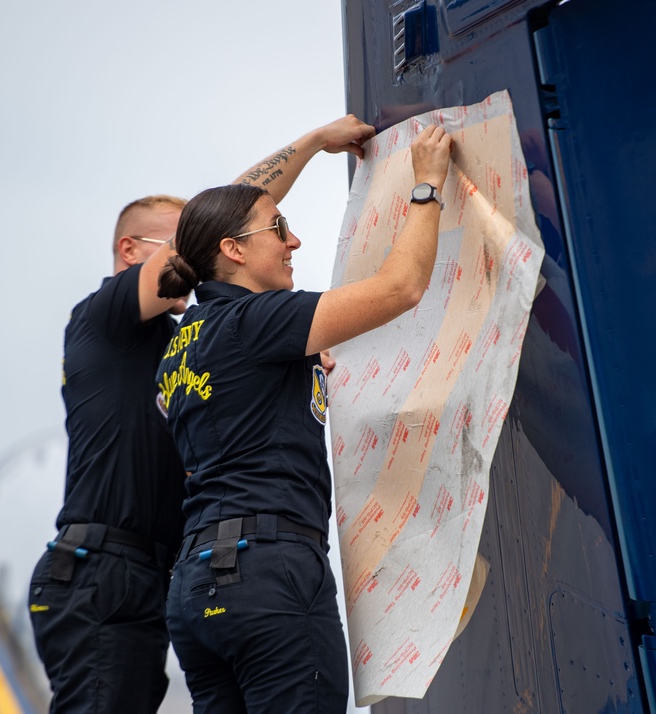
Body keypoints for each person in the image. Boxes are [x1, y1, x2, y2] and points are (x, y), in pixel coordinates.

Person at [27, 114, 376, 714]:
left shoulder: (202, 338)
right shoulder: (103, 318)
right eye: (173, 243)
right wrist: (313, 144)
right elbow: (223, 228)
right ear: (130, 251)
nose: (188, 254)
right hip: (102, 569)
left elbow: (230, 221)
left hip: (173, 571)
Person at [155, 124, 453, 713]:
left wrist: (316, 143)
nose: (293, 242)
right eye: (279, 229)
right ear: (233, 251)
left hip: (196, 587)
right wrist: (427, 184)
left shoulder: (181, 346)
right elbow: (401, 288)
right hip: (269, 572)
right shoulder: (255, 323)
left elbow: (212, 218)